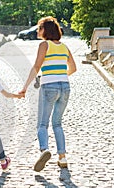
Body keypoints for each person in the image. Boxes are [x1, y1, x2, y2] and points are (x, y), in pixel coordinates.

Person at [19, 16, 77, 172]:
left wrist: (25, 86)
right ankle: (62, 158)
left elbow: (37, 66)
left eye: (40, 28)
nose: (38, 31)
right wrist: (61, 76)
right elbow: (73, 68)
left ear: (46, 30)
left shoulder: (44, 45)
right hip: (65, 87)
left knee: (42, 124)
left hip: (49, 87)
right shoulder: (64, 47)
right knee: (57, 123)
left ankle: (44, 150)